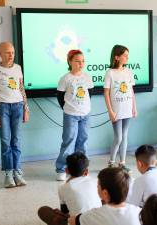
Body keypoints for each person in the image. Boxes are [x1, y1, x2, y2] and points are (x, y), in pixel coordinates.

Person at [0, 41, 30, 188]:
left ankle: (18, 172)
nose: (11, 55)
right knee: (6, 141)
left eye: (12, 52)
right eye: (7, 52)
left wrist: (26, 108)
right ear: (0, 54)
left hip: (18, 107)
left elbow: (21, 89)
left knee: (16, 141)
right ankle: (8, 173)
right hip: (3, 108)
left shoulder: (18, 69)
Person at [55, 49, 94, 181]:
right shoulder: (65, 78)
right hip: (70, 114)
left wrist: (84, 108)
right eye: (77, 61)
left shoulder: (87, 77)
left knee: (83, 141)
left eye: (83, 61)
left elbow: (90, 94)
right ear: (70, 61)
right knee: (68, 141)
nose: (81, 64)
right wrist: (68, 108)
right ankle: (61, 168)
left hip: (85, 114)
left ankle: (81, 168)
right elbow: (60, 97)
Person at [38, 152, 101, 225]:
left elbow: (65, 212)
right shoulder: (95, 181)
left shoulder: (63, 188)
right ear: (86, 172)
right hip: (99, 220)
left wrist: (61, 214)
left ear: (66, 170)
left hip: (77, 221)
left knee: (43, 210)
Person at [104, 45, 137, 172]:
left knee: (125, 135)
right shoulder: (110, 73)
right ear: (117, 57)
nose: (127, 57)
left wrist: (134, 107)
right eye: (124, 55)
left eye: (127, 55)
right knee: (118, 137)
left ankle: (122, 162)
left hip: (127, 109)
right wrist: (110, 111)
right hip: (116, 111)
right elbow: (106, 93)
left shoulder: (128, 71)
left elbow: (131, 90)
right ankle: (111, 162)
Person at [68, 167, 141, 225]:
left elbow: (72, 221)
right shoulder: (139, 212)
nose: (97, 186)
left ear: (105, 193)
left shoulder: (94, 215)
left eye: (98, 185)